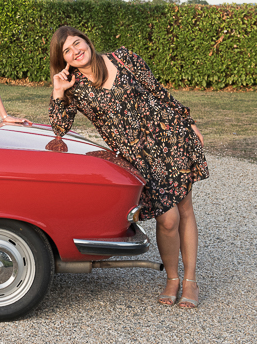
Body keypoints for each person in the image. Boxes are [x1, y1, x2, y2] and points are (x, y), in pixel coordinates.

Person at [49, 26, 209, 308]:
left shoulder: (125, 58)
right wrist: (58, 91)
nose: (76, 50)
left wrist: (188, 120)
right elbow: (60, 128)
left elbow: (159, 93)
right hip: (138, 157)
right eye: (67, 51)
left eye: (77, 42)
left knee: (185, 208)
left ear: (87, 40)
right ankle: (172, 278)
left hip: (170, 139)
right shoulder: (75, 87)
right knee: (167, 219)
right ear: (65, 60)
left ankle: (191, 280)